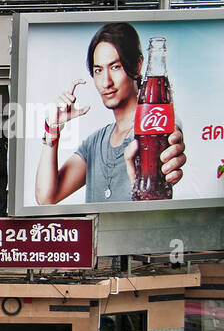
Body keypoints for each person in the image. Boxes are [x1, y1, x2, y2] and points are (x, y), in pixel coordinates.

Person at [35, 22, 185, 205]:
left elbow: (171, 141)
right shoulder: (95, 142)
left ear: (138, 66)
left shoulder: (156, 127)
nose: (106, 82)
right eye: (98, 70)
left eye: (115, 67)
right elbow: (46, 198)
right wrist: (53, 128)